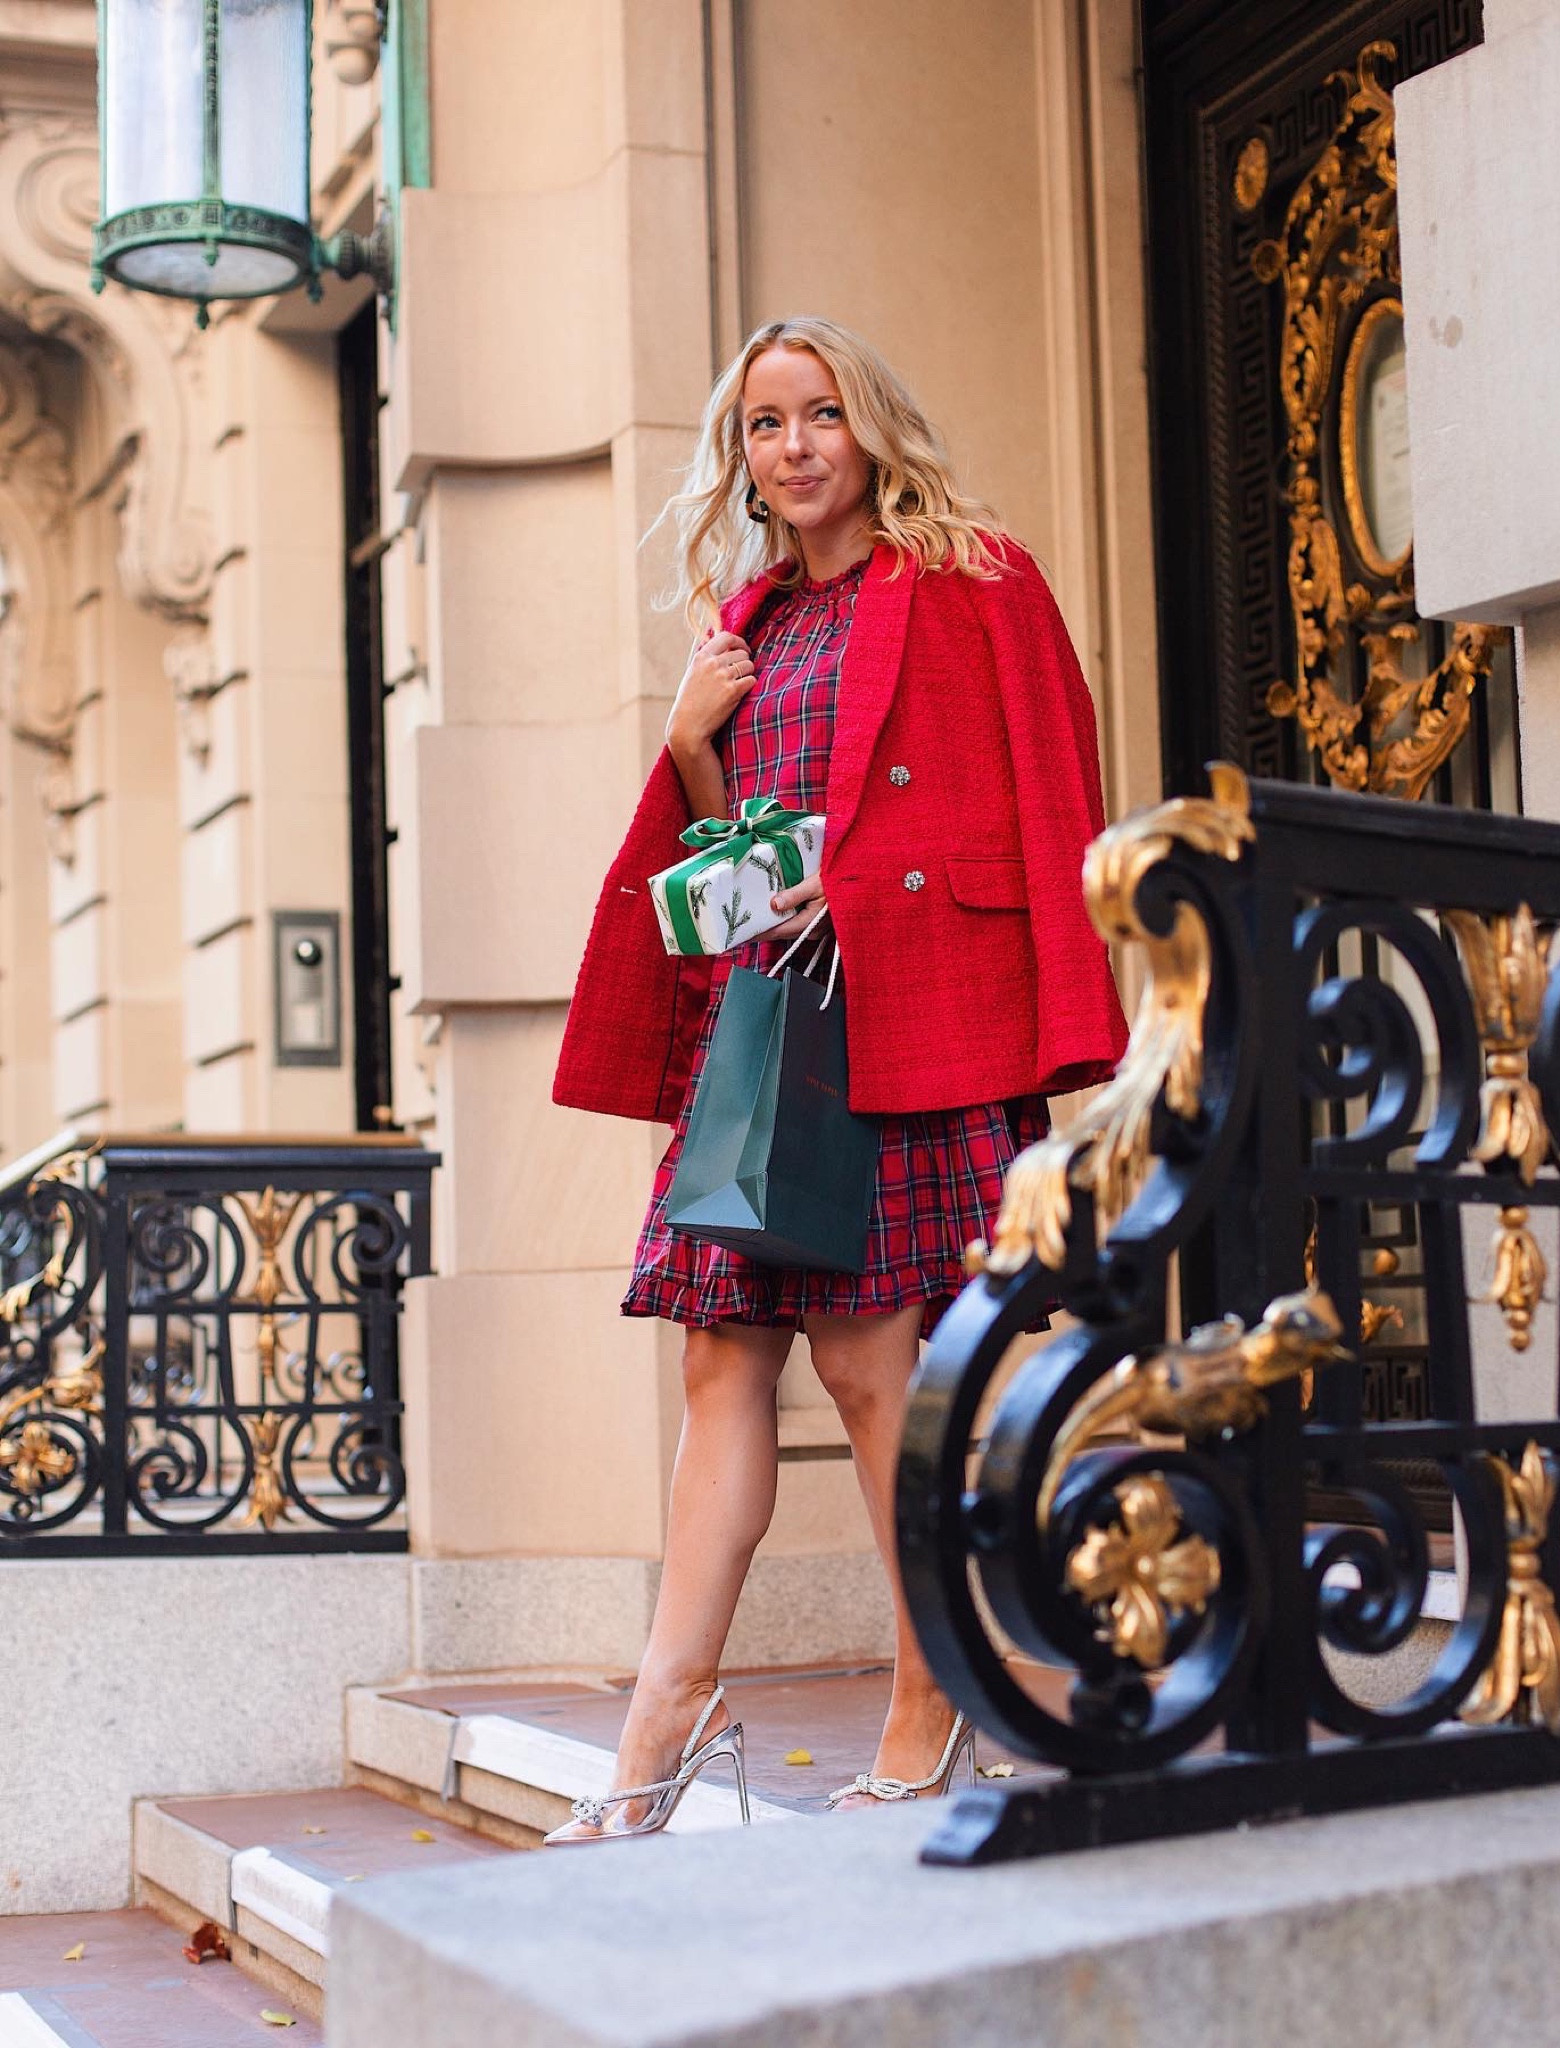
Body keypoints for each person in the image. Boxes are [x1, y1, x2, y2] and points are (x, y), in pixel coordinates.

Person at [548, 315, 1126, 1839]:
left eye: (817, 416)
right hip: (767, 1035)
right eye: (761, 425)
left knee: (876, 1371)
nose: (791, 447)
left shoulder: (973, 581)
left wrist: (867, 904)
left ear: (871, 428)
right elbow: (741, 854)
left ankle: (931, 1694)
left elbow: (1049, 791)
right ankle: (655, 1732)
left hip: (901, 1021)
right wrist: (691, 753)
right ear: (738, 455)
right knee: (718, 1362)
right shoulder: (748, 626)